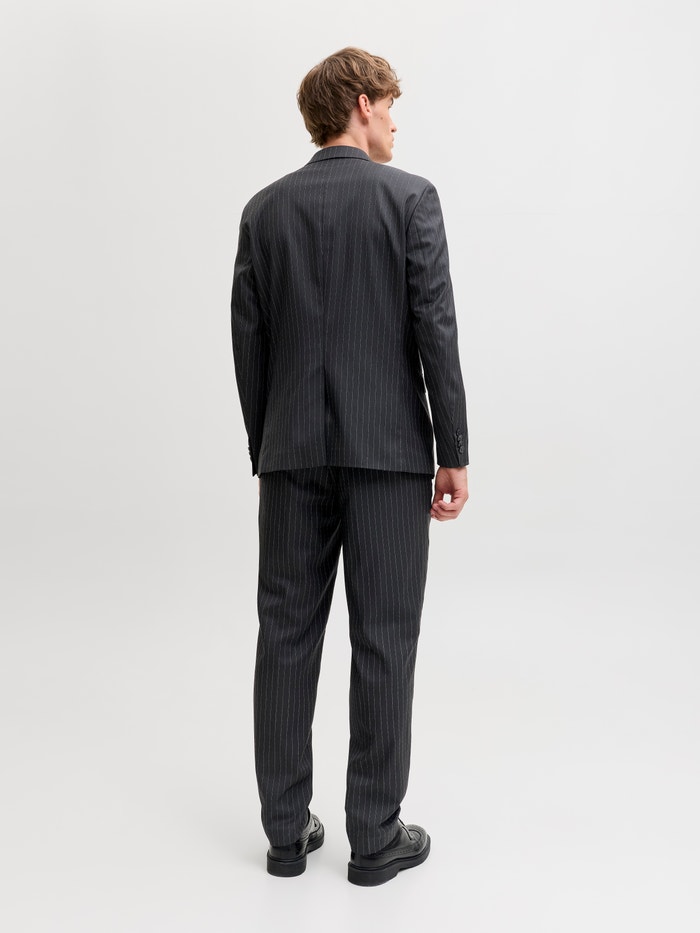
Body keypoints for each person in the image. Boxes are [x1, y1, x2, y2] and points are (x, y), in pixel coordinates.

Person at [230, 47, 469, 886]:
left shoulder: (264, 210)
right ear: (362, 103)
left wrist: (270, 443)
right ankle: (374, 835)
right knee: (385, 638)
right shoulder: (410, 200)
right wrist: (453, 451)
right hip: (390, 455)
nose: (396, 122)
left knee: (285, 634)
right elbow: (435, 329)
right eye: (391, 105)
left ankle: (284, 832)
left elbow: (249, 343)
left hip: (291, 453)